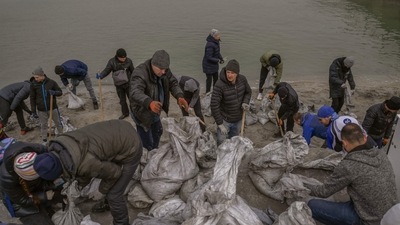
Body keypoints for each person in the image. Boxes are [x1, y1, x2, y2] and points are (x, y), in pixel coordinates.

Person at [305, 123, 397, 225]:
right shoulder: (381, 153)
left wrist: (302, 185)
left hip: (368, 220)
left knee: (311, 205)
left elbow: (323, 192)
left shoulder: (349, 165)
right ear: (365, 138)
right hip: (391, 214)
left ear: (344, 143)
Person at [129, 50, 188, 151]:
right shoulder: (140, 73)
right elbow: (135, 92)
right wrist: (149, 102)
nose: (163, 72)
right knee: (146, 141)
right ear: (153, 63)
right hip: (142, 113)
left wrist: (179, 96)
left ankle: (154, 149)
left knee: (158, 131)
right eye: (160, 69)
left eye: (165, 69)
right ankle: (147, 156)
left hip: (156, 111)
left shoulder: (164, 71)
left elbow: (173, 82)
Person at [0, 141, 63, 225]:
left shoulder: (38, 149)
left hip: (36, 187)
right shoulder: (7, 179)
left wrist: (55, 184)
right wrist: (45, 196)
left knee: (62, 190)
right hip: (22, 204)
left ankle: (48, 206)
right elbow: (22, 200)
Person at [211, 59, 251, 145]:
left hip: (238, 119)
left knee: (234, 139)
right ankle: (221, 156)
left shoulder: (242, 80)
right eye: (228, 72)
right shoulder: (219, 85)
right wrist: (220, 123)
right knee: (221, 141)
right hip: (225, 120)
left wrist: (245, 102)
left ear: (237, 73)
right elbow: (214, 105)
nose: (230, 75)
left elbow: (248, 92)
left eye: (232, 73)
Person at [97, 48, 134, 120]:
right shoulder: (112, 62)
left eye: (125, 57)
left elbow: (133, 71)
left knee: (132, 99)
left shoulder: (129, 61)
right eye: (122, 58)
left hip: (128, 84)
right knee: (122, 101)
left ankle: (134, 112)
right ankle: (125, 113)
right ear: (117, 57)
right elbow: (107, 70)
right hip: (119, 85)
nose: (124, 59)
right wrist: (101, 76)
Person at [30, 67, 63, 144]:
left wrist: (54, 93)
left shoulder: (51, 82)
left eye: (37, 77)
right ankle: (44, 140)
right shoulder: (33, 85)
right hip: (41, 110)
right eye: (35, 77)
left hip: (53, 108)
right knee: (43, 125)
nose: (35, 79)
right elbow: (32, 98)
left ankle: (62, 135)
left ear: (42, 75)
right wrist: (33, 111)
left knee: (58, 122)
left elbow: (60, 92)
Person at [202, 29, 224, 93]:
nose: (219, 36)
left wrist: (221, 58)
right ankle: (207, 92)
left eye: (219, 34)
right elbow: (208, 57)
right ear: (213, 36)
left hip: (214, 65)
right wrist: (218, 60)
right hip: (208, 65)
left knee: (216, 79)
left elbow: (217, 52)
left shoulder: (216, 42)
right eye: (217, 35)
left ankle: (215, 91)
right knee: (209, 80)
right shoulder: (210, 45)